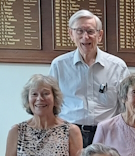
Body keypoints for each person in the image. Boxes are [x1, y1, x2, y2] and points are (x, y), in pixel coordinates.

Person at [50, 10, 130, 147]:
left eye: (90, 31)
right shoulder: (59, 65)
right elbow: (51, 103)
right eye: (79, 31)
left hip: (108, 134)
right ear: (71, 34)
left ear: (100, 35)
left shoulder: (118, 66)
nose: (85, 37)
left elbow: (126, 105)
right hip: (68, 134)